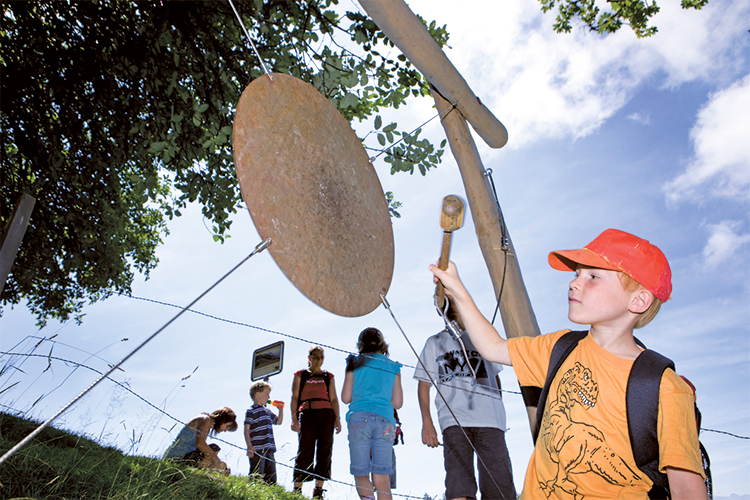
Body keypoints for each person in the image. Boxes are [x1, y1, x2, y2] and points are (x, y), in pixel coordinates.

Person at [429, 229, 708, 500]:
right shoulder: (559, 347)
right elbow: (493, 347)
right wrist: (457, 289)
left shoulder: (665, 388)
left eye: (594, 276)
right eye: (577, 274)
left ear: (638, 300)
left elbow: (686, 488)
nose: (574, 283)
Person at [414, 305, 516, 500]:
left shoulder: (483, 338)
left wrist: (498, 411)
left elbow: (495, 376)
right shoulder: (434, 342)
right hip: (454, 421)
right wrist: (427, 422)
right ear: (440, 311)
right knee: (459, 485)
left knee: (500, 486)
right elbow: (423, 385)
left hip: (490, 421)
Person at [341, 328, 403, 500]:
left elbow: (346, 398)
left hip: (359, 420)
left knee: (361, 473)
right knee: (381, 477)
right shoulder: (393, 366)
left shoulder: (354, 362)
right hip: (385, 422)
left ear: (361, 344)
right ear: (382, 344)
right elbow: (397, 403)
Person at [291, 345, 343, 498]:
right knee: (305, 449)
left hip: (327, 415)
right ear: (309, 358)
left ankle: (318, 490)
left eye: (321, 357)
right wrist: (294, 418)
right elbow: (294, 397)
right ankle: (297, 489)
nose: (319, 360)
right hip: (307, 412)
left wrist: (338, 418)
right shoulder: (301, 375)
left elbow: (333, 398)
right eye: (316, 356)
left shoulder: (328, 376)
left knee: (325, 449)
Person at [163, 406, 237, 474]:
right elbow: (200, 444)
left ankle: (214, 473)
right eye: (227, 427)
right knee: (214, 448)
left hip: (182, 456)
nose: (225, 430)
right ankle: (202, 474)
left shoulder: (206, 423)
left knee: (211, 452)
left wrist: (216, 462)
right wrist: (218, 461)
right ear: (222, 420)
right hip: (178, 457)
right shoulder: (206, 420)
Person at [244, 380, 284, 484]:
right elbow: (246, 429)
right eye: (267, 394)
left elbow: (278, 422)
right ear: (257, 395)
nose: (269, 397)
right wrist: (249, 446)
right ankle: (253, 490)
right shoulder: (251, 411)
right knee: (257, 473)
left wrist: (280, 410)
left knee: (271, 475)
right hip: (256, 449)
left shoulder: (268, 411)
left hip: (269, 449)